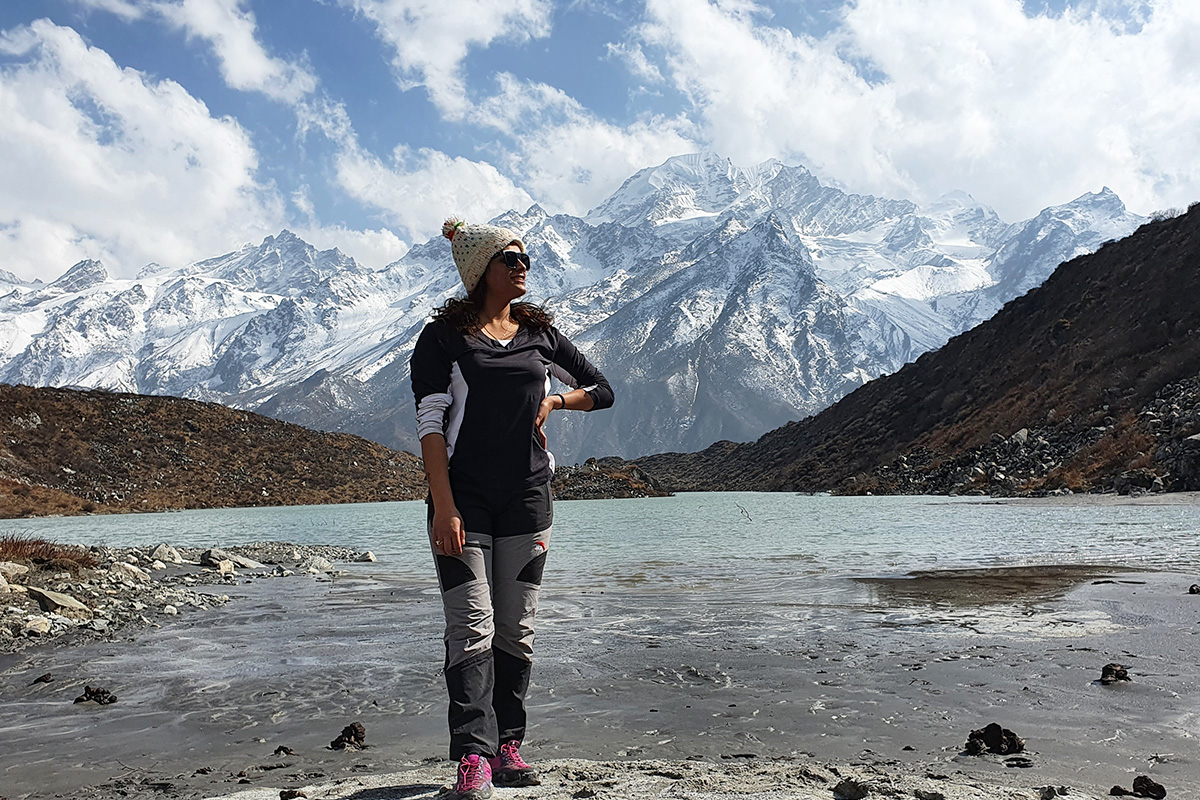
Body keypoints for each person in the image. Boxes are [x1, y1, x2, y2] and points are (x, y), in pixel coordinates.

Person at [410, 218, 614, 800]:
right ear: (482, 271)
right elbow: (429, 426)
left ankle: (508, 746)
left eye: (526, 258)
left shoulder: (540, 336)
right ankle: (471, 757)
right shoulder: (444, 339)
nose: (523, 266)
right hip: (462, 501)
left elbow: (602, 391)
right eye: (511, 258)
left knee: (515, 629)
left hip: (529, 500)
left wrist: (554, 398)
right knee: (469, 627)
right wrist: (443, 505)